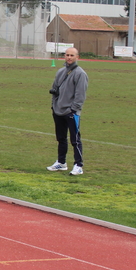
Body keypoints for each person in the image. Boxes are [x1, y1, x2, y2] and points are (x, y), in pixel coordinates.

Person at [47, 47, 89, 176]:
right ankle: (61, 162)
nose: (69, 57)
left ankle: (78, 165)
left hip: (71, 112)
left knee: (75, 139)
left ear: (77, 57)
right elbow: (55, 89)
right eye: (67, 55)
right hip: (58, 110)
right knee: (61, 138)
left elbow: (80, 95)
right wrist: (54, 105)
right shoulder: (60, 72)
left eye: (72, 55)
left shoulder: (80, 74)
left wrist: (73, 109)